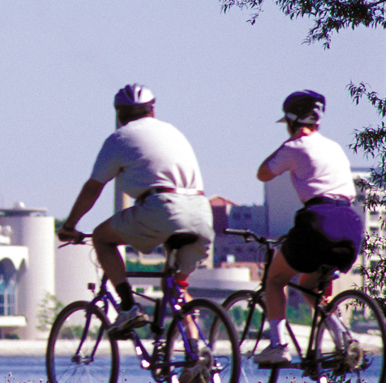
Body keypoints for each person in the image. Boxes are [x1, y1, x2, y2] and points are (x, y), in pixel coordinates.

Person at [57, 84, 214, 336]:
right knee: (177, 288)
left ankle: (128, 307)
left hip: (162, 208)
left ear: (119, 115)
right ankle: (198, 354)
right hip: (201, 213)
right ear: (152, 110)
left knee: (101, 237)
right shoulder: (172, 131)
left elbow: (92, 188)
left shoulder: (119, 138)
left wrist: (69, 226)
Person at [253, 90, 363, 365]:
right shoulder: (334, 146)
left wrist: (287, 144)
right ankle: (344, 341)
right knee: (310, 285)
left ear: (290, 121)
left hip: (318, 221)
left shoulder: (295, 147)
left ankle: (278, 345)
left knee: (275, 279)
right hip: (350, 223)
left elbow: (263, 173)